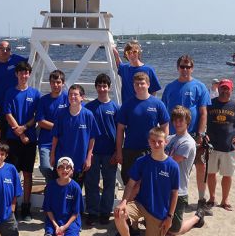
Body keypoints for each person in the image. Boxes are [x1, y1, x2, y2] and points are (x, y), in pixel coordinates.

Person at [114, 127, 179, 236]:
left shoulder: (172, 166)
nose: (156, 144)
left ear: (165, 142)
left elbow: (175, 193)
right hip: (140, 204)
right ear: (148, 142)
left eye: (159, 141)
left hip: (159, 211)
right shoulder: (142, 161)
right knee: (119, 213)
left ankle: (195, 219)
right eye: (153, 141)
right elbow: (130, 184)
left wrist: (170, 217)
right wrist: (123, 202)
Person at [161, 55, 212, 214]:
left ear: (192, 68)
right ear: (178, 68)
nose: (185, 70)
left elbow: (203, 112)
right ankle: (173, 198)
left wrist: (201, 134)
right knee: (172, 168)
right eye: (182, 67)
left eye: (188, 67)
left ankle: (202, 200)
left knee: (200, 167)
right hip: (173, 136)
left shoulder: (200, 86)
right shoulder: (170, 87)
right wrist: (164, 135)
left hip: (193, 135)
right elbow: (163, 113)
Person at [206, 79, 235, 211]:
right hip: (212, 146)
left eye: (227, 88)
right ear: (218, 89)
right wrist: (203, 134)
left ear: (232, 90)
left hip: (229, 147)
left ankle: (225, 200)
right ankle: (212, 198)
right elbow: (201, 117)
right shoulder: (211, 103)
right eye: (222, 88)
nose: (224, 91)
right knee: (211, 173)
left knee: (227, 175)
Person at [116, 72, 169, 185]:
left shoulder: (157, 104)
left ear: (148, 84)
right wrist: (119, 152)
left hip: (151, 149)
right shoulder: (127, 104)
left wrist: (162, 148)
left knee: (150, 183)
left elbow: (165, 127)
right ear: (133, 86)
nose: (139, 86)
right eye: (136, 84)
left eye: (142, 83)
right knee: (129, 183)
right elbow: (120, 129)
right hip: (130, 149)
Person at [3, 62, 41, 221]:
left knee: (28, 174)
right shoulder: (10, 92)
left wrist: (24, 128)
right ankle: (12, 207)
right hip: (13, 139)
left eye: (26, 73)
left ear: (29, 74)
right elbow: (7, 113)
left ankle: (26, 207)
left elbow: (37, 116)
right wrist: (19, 132)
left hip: (30, 140)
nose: (23, 76)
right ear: (16, 74)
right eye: (21, 73)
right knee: (12, 174)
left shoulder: (35, 93)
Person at [84, 73, 119, 226]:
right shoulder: (89, 107)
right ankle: (92, 212)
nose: (102, 88)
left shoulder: (116, 107)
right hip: (93, 151)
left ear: (109, 87)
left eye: (105, 86)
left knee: (109, 183)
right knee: (91, 183)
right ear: (96, 87)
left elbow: (120, 131)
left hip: (110, 151)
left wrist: (118, 151)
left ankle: (105, 212)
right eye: (99, 86)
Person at [166, 106, 205, 236]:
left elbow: (171, 161)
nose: (177, 123)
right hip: (165, 187)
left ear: (187, 122)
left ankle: (197, 217)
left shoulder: (188, 142)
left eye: (180, 120)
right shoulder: (171, 138)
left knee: (173, 232)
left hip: (179, 190)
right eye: (175, 120)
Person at [51, 84, 99, 188]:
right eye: (70, 94)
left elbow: (92, 138)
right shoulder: (61, 114)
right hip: (62, 159)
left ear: (82, 97)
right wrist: (52, 154)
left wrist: (89, 157)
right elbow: (55, 136)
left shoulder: (88, 115)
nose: (72, 97)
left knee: (76, 189)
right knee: (61, 188)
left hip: (79, 160)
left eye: (75, 94)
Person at [0, 40, 27, 137]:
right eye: (1, 49)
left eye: (7, 49)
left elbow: (32, 60)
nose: (5, 51)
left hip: (14, 105)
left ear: (11, 51)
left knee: (14, 134)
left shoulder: (17, 61)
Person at [42, 157, 83, 236]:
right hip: (53, 223)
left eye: (68, 167)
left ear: (72, 170)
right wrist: (56, 226)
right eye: (61, 167)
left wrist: (65, 227)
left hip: (70, 224)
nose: (64, 170)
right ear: (57, 170)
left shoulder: (76, 188)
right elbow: (48, 209)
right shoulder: (50, 186)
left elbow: (76, 212)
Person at [35, 70, 68, 184]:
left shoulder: (69, 98)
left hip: (63, 142)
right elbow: (40, 121)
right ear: (49, 83)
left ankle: (54, 188)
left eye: (58, 82)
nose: (56, 85)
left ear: (63, 83)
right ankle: (54, 184)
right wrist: (59, 127)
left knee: (64, 170)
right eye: (53, 82)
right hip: (46, 142)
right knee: (45, 167)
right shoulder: (43, 100)